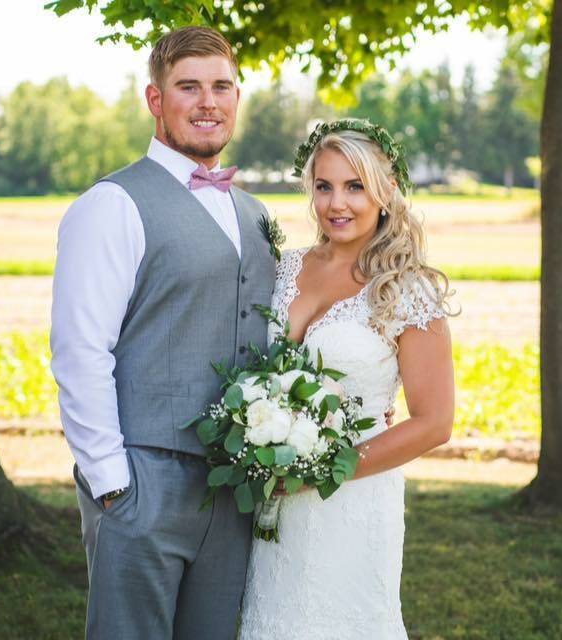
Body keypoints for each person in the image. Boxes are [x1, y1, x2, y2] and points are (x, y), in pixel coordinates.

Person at [49, 26, 277, 639]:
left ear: (237, 97)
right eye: (189, 87)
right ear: (156, 100)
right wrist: (112, 485)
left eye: (222, 86)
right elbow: (79, 350)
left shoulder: (256, 215)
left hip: (234, 489)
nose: (209, 101)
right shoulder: (111, 205)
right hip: (143, 482)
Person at [238, 119, 456, 639]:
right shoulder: (282, 268)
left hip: (354, 499)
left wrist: (322, 471)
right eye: (324, 186)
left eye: (355, 186)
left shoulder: (408, 290)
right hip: (272, 495)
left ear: (385, 192)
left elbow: (434, 423)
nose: (338, 202)